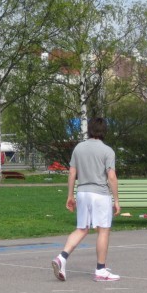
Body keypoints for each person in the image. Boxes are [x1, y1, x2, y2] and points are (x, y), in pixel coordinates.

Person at [51, 117, 121, 283]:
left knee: (82, 228)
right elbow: (111, 176)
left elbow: (72, 173)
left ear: (89, 129)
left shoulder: (79, 148)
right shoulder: (107, 151)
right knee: (103, 230)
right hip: (100, 194)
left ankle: (62, 257)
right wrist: (116, 200)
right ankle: (101, 270)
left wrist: (70, 195)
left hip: (82, 192)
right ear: (104, 131)